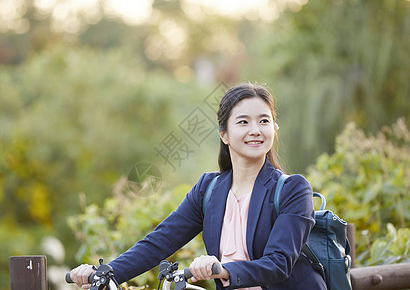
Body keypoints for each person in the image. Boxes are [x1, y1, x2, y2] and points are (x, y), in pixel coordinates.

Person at [70, 83, 327, 290]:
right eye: (243, 122)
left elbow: (278, 263)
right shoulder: (209, 189)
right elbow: (159, 242)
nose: (255, 130)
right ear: (223, 134)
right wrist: (105, 272)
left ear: (274, 128)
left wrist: (225, 269)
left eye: (264, 121)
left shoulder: (293, 189)